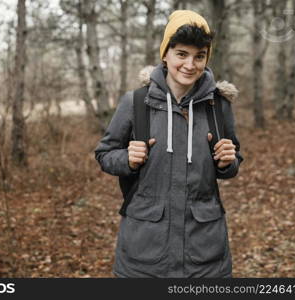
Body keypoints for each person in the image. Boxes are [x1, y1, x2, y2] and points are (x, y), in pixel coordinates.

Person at [94, 10, 243, 278]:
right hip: (144, 253)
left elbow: (232, 165)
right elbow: (104, 154)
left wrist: (227, 161)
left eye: (200, 56)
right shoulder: (136, 103)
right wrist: (127, 159)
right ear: (165, 54)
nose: (190, 65)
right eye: (182, 54)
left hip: (205, 255)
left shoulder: (217, 106)